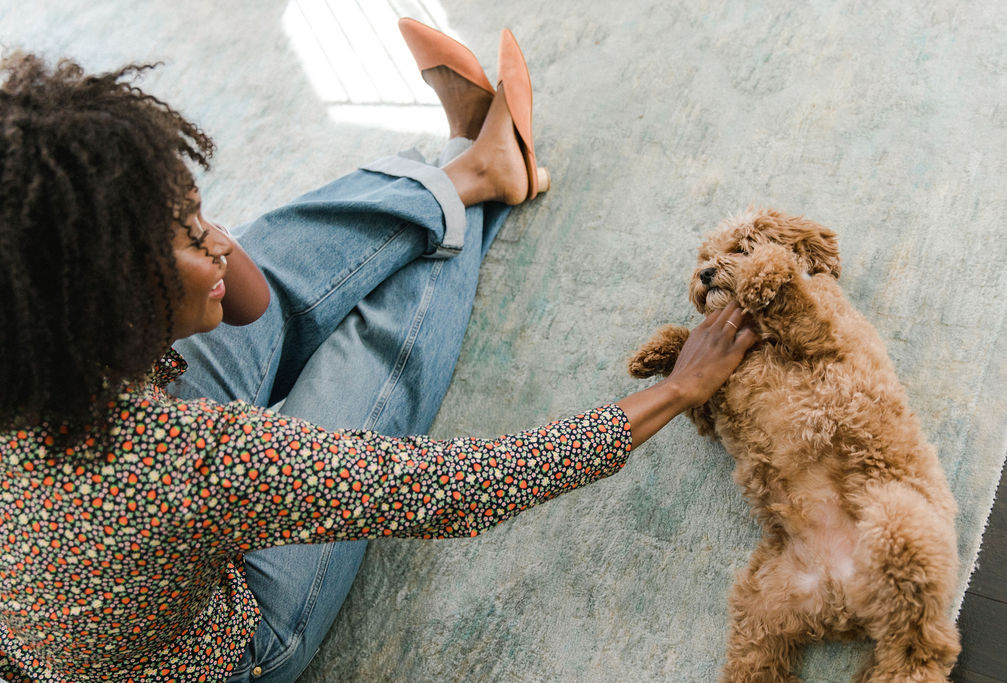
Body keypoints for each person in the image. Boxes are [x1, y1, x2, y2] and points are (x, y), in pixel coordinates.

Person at [0, 19, 758, 683]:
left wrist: (199, 255)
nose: (218, 235)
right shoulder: (186, 461)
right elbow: (452, 489)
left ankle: (472, 168)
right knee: (377, 347)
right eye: (191, 237)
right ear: (111, 307)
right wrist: (680, 389)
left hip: (129, 471)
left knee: (261, 255)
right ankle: (477, 169)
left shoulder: (28, 336)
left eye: (195, 213)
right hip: (242, 637)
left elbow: (240, 275)